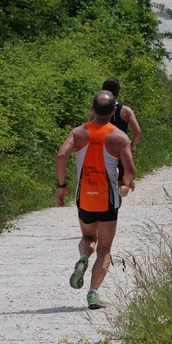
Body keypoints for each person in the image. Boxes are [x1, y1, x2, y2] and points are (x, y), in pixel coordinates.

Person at [55, 90, 136, 310]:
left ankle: (83, 257)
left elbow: (61, 155)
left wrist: (62, 187)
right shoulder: (119, 137)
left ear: (92, 109)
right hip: (107, 199)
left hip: (84, 199)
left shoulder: (79, 132)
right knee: (105, 248)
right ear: (113, 111)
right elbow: (129, 171)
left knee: (88, 237)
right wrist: (126, 184)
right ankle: (93, 294)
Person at [96, 77, 141, 185]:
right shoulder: (126, 110)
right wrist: (132, 145)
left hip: (103, 148)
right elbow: (138, 131)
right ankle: (117, 198)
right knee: (121, 182)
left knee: (103, 180)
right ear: (118, 92)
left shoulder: (98, 109)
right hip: (120, 149)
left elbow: (89, 126)